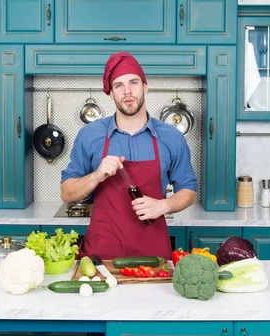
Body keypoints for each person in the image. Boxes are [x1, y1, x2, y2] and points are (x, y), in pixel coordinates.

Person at [61, 52, 197, 260]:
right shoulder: (90, 135)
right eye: (118, 85)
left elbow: (188, 190)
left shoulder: (172, 138)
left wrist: (164, 205)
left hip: (153, 256)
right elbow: (67, 193)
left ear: (145, 86)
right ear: (111, 94)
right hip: (102, 254)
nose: (127, 91)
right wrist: (96, 176)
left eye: (133, 82)